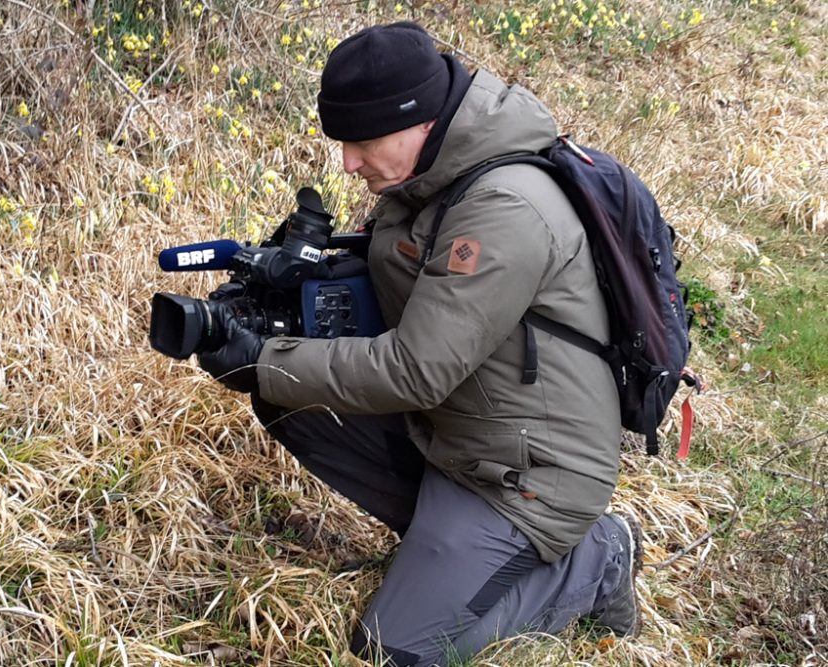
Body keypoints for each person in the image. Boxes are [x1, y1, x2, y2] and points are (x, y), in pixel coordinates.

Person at [197, 21, 644, 667]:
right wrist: (276, 303)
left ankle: (597, 559)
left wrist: (265, 358)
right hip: (456, 435)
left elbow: (414, 370)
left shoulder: (503, 207)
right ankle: (447, 550)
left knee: (396, 649)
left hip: (527, 476)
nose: (349, 162)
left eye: (361, 141)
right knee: (288, 395)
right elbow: (398, 296)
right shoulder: (428, 181)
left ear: (420, 123)